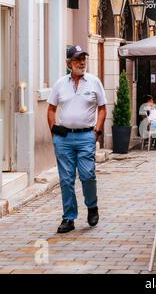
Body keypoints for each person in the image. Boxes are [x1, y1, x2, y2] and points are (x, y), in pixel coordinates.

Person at [47, 45, 107, 233]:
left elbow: (103, 108)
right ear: (69, 63)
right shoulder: (60, 84)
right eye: (77, 59)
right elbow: (50, 109)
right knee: (66, 179)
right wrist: (54, 133)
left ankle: (92, 206)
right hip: (63, 138)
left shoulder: (94, 82)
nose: (82, 62)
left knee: (87, 174)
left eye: (84, 59)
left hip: (85, 137)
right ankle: (69, 217)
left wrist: (96, 132)